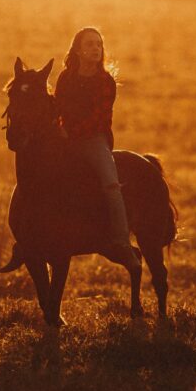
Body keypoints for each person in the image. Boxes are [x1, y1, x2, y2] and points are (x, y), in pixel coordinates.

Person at [55, 27, 140, 272]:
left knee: (111, 184)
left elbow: (99, 119)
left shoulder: (105, 81)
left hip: (94, 140)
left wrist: (71, 133)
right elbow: (58, 107)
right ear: (78, 50)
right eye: (90, 44)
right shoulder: (65, 77)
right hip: (65, 138)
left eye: (98, 44)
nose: (95, 48)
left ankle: (121, 240)